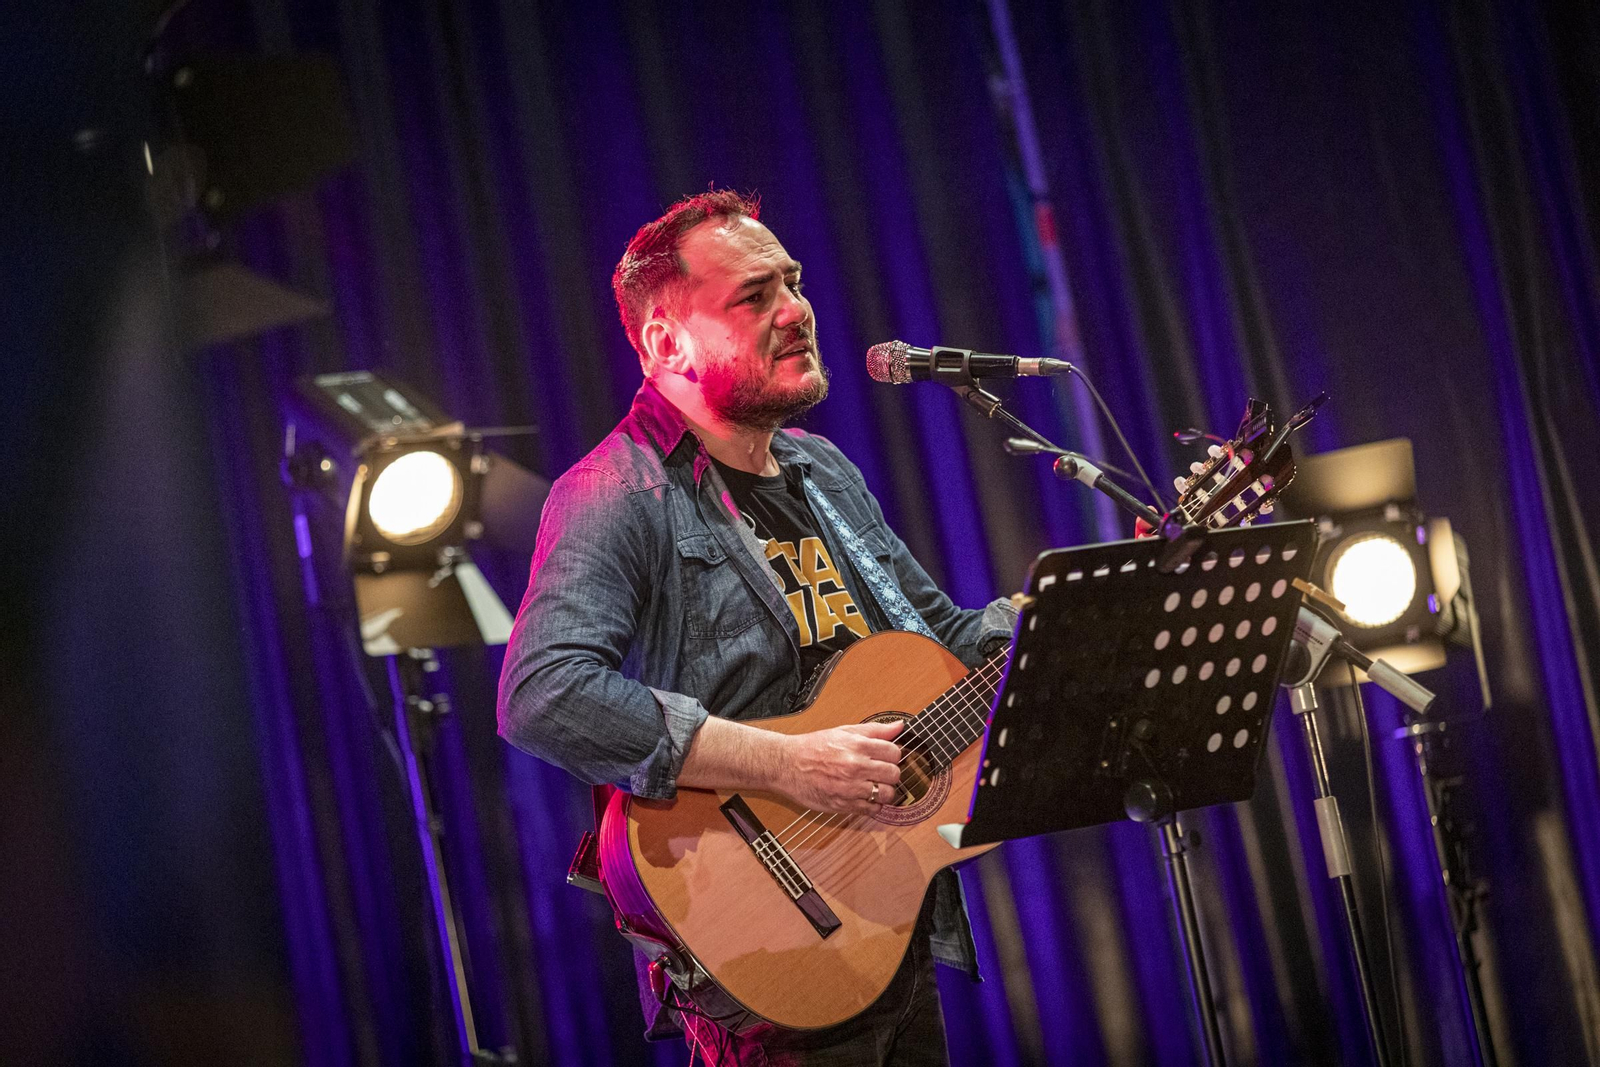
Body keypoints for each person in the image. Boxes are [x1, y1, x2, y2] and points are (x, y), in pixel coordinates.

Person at [497, 189, 1016, 1065]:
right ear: (665, 342)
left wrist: (1052, 614)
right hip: (763, 955)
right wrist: (789, 762)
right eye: (754, 296)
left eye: (794, 282)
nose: (797, 311)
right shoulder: (616, 491)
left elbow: (944, 648)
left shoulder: (824, 470)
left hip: (882, 927)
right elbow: (541, 694)